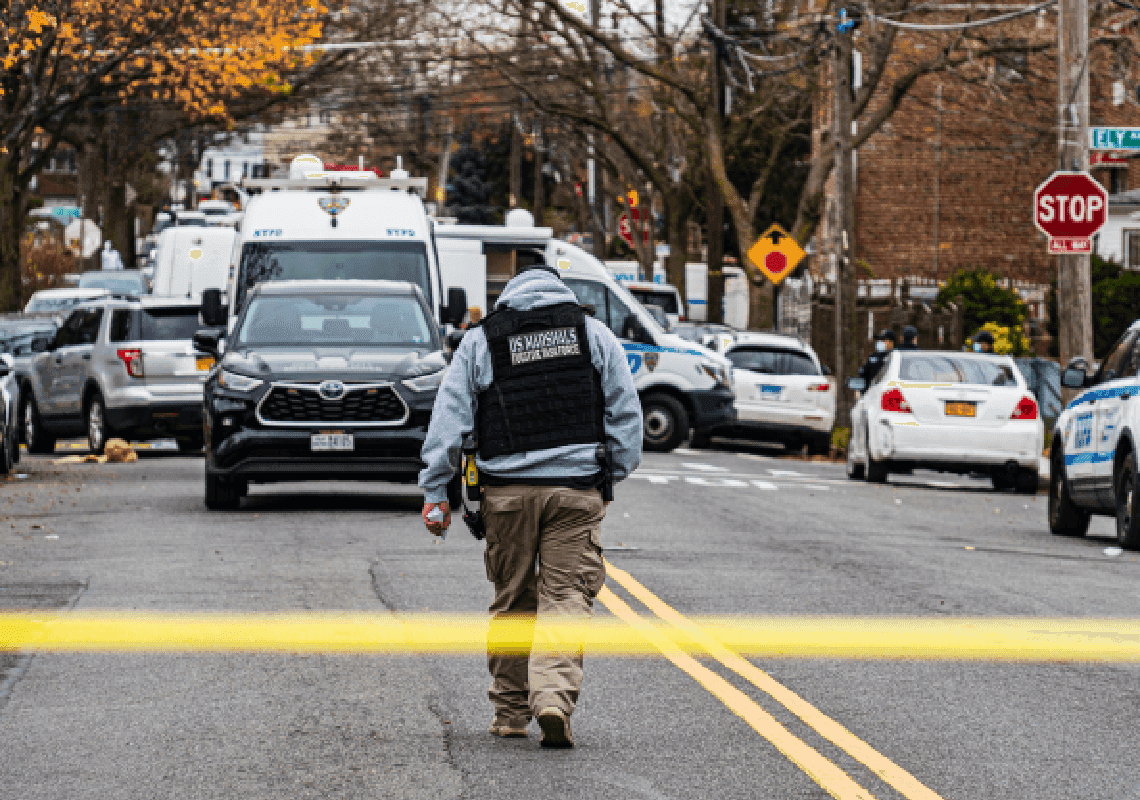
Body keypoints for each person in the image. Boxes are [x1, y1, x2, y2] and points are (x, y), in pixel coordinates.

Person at [419, 260, 643, 748]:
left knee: (513, 600)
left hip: (506, 495)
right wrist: (610, 472)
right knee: (565, 598)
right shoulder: (594, 335)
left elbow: (450, 419)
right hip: (575, 492)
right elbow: (626, 413)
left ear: (509, 296)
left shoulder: (482, 340)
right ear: (561, 293)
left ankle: (510, 712)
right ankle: (552, 699)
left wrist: (436, 491)